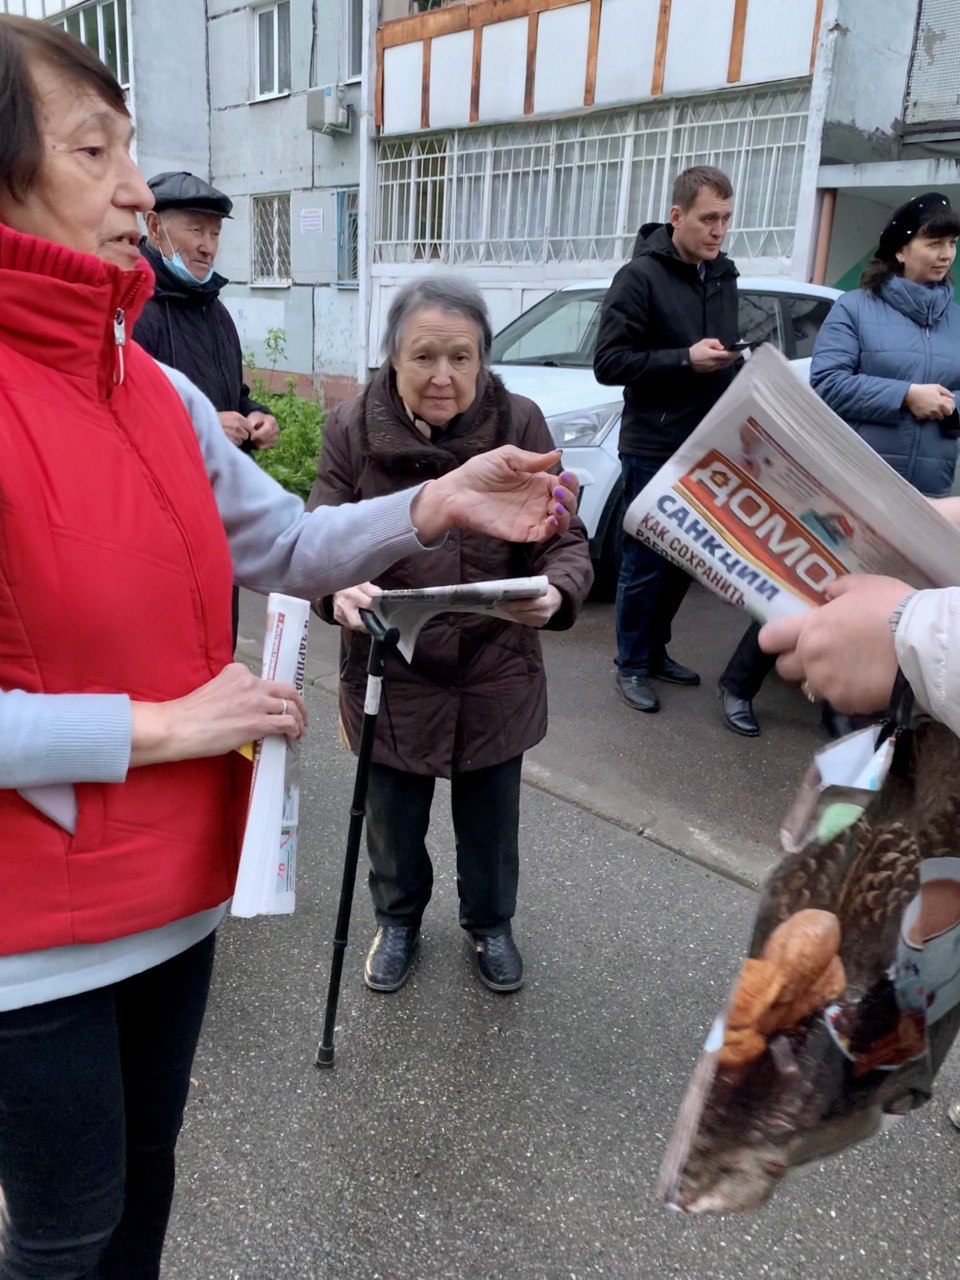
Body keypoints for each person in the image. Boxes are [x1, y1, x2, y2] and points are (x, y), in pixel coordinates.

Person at [0, 17, 577, 1279]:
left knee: (143, 1194)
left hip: (173, 895)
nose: (139, 190)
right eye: (93, 149)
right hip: (26, 931)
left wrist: (440, 502)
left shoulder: (147, 385)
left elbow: (290, 541)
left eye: (131, 148)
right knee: (60, 1231)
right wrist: (160, 726)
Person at [308, 279, 593, 996]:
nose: (443, 375)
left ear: (483, 361)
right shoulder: (351, 428)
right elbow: (316, 539)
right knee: (392, 823)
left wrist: (557, 590)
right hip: (389, 666)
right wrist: (336, 589)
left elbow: (565, 536)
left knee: (492, 827)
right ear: (392, 359)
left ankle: (490, 926)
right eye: (424, 356)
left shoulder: (519, 420)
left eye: (461, 357)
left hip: (493, 665)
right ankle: (397, 921)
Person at [594, 166, 771, 734]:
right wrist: (683, 358)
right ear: (677, 217)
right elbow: (609, 364)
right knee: (644, 560)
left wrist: (741, 375)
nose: (719, 231)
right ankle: (630, 665)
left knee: (682, 560)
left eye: (725, 219)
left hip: (707, 441)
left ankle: (656, 652)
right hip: (652, 441)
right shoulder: (639, 277)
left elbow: (715, 353)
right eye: (707, 219)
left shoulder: (722, 275)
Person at [133, 169, 279, 644]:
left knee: (220, 642)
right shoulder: (134, 310)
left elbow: (230, 396)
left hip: (217, 519)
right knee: (168, 652)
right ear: (154, 228)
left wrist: (255, 415)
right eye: (195, 229)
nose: (207, 246)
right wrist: (200, 426)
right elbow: (118, 419)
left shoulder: (215, 312)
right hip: (158, 529)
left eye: (214, 233)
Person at [811, 191, 960, 500]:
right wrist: (905, 396)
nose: (946, 254)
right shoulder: (853, 308)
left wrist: (950, 406)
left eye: (952, 243)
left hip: (930, 494)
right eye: (934, 244)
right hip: (858, 487)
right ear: (901, 252)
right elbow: (827, 383)